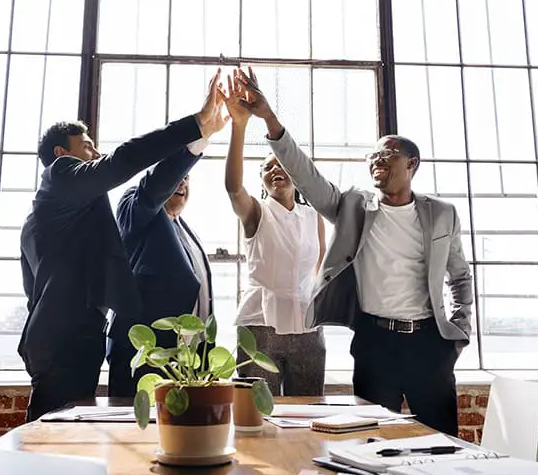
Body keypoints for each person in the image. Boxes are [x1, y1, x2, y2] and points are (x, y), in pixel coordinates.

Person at [234, 67, 473, 435]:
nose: (378, 159)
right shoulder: (353, 207)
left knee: (441, 442)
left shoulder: (441, 214)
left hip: (430, 344)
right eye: (373, 155)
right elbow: (307, 175)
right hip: (375, 343)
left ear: (411, 164)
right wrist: (269, 118)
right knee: (371, 442)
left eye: (388, 153)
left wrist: (458, 332)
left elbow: (459, 276)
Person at [19, 70, 228, 421]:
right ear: (61, 154)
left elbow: (35, 288)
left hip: (77, 338)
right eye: (87, 146)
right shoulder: (58, 177)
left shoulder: (56, 214)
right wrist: (196, 124)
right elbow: (125, 161)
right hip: (62, 340)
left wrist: (202, 137)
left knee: (68, 438)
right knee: (49, 436)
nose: (96, 152)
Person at [106, 75, 229, 397]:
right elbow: (154, 186)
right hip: (146, 354)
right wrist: (199, 137)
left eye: (188, 180)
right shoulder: (137, 207)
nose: (182, 183)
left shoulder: (184, 229)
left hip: (188, 362)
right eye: (177, 178)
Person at [221, 71, 326, 396]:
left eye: (281, 163)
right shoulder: (256, 212)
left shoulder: (314, 217)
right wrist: (240, 126)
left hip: (307, 325)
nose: (276, 169)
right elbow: (232, 187)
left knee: (308, 409)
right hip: (260, 323)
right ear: (263, 179)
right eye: (268, 167)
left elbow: (319, 268)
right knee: (255, 413)